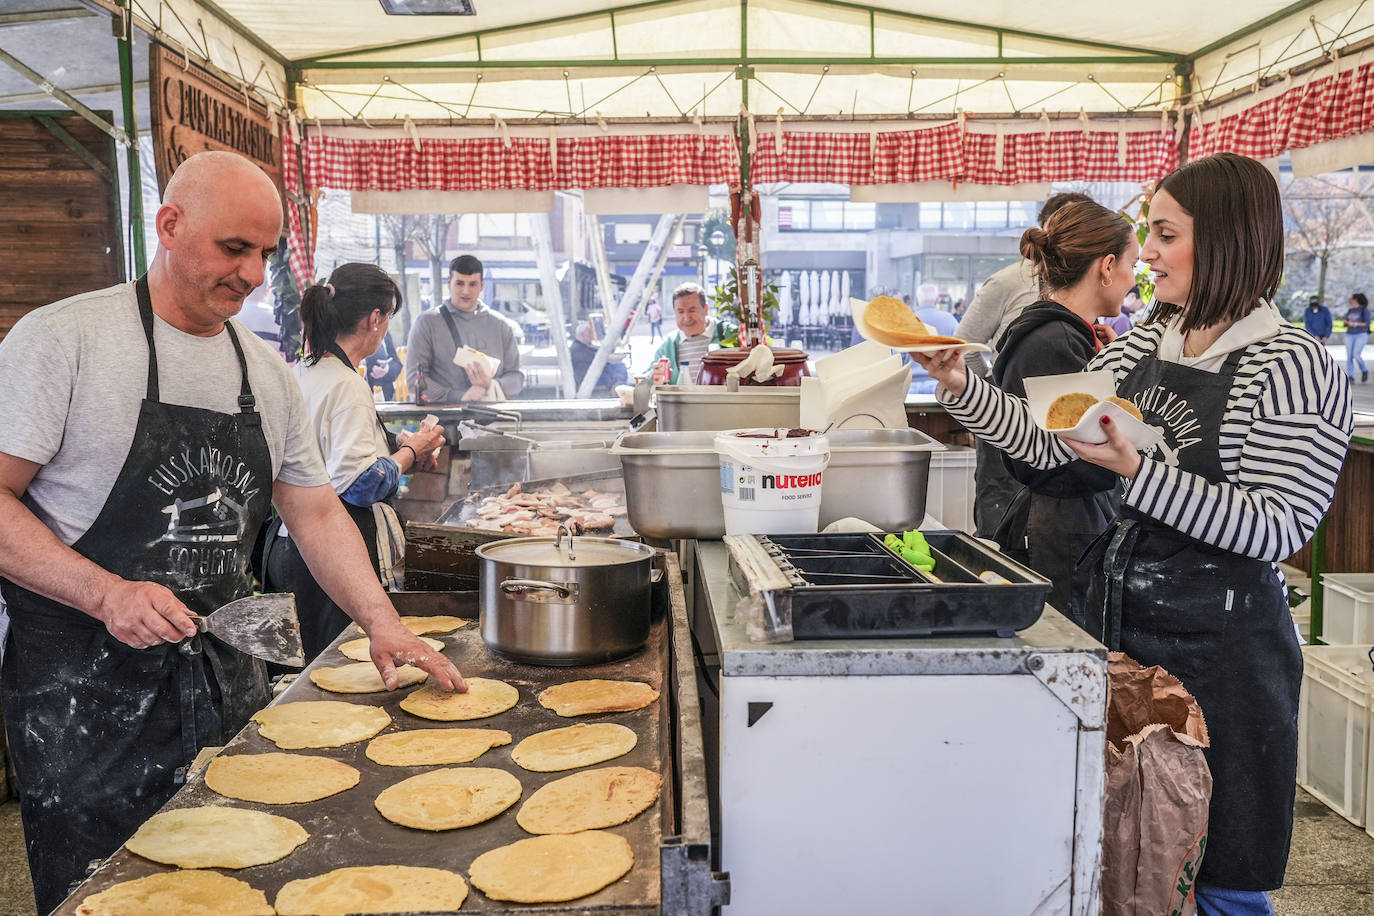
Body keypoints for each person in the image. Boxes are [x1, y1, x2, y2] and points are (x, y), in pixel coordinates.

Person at [0, 151, 465, 914]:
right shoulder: (65, 343)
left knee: (237, 883)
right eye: (233, 248)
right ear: (170, 225)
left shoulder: (265, 372)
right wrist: (104, 592)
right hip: (89, 696)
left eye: (266, 254)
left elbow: (313, 510)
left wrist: (382, 622)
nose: (253, 274)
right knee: (106, 893)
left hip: (226, 678)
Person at [917, 153, 1351, 913]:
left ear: (1222, 240)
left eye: (1164, 233)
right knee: (1138, 860)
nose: (1145, 253)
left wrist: (1136, 474)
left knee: (1222, 882)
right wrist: (960, 388)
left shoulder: (1292, 363)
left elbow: (1278, 523)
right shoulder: (1147, 343)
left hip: (1228, 663)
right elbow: (1050, 439)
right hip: (1130, 636)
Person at [264, 265, 446, 662]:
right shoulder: (348, 385)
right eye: (388, 318)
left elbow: (330, 457)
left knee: (310, 666)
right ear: (375, 319)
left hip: (289, 547)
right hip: (333, 551)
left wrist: (401, 452)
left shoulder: (306, 372)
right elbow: (360, 484)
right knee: (343, 665)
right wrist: (413, 451)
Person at [987, 200, 1133, 614]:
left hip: (1070, 520)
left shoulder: (1072, 338)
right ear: (1106, 267)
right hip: (1063, 527)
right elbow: (1060, 455)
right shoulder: (1053, 342)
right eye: (1132, 265)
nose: (1133, 280)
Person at [404, 254, 524, 403]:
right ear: (449, 283)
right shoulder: (427, 323)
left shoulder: (501, 325)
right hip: (441, 422)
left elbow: (516, 378)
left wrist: (492, 385)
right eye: (460, 283)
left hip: (492, 421)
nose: (466, 291)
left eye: (472, 284)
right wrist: (458, 397)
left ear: (482, 285)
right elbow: (414, 379)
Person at [646, 282, 731, 385]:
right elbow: (647, 380)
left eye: (692, 310)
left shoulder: (729, 333)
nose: (686, 317)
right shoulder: (668, 345)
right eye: (680, 312)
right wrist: (653, 378)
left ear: (706, 309)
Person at [905, 283, 960, 395]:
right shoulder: (950, 320)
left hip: (910, 386)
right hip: (941, 385)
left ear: (916, 300)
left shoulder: (905, 322)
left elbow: (897, 357)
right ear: (937, 300)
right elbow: (958, 353)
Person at [364, 329, 403, 400]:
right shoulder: (349, 332)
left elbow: (397, 363)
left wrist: (387, 369)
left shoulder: (383, 331)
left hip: (384, 399)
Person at [1345, 292, 1370, 383]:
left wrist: (1354, 323)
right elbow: (1346, 321)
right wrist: (1346, 322)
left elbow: (1367, 324)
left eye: (1351, 298)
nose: (1349, 299)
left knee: (1356, 354)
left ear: (1355, 299)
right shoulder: (1350, 310)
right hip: (1349, 334)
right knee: (1349, 356)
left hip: (1361, 334)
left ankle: (1364, 370)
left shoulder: (1364, 310)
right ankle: (1351, 376)